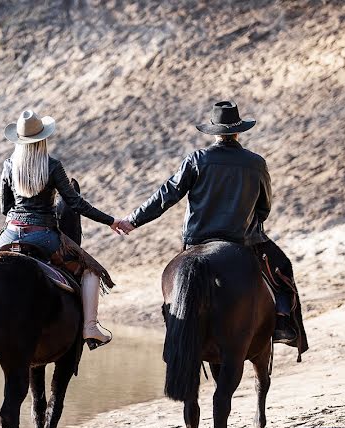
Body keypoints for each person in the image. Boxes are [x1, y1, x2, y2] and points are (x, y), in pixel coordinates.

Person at [116, 101, 308, 355]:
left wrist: (133, 220)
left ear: (214, 132)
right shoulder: (256, 163)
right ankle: (284, 323)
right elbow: (264, 207)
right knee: (282, 268)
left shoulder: (197, 160)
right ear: (238, 131)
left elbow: (167, 195)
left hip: (197, 240)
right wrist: (252, 222)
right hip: (244, 240)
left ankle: (174, 331)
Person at [0, 109, 125, 348]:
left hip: (10, 232)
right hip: (44, 236)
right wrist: (111, 220)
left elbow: (5, 206)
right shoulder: (52, 166)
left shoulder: (9, 165)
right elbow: (75, 203)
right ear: (43, 139)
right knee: (92, 270)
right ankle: (90, 327)